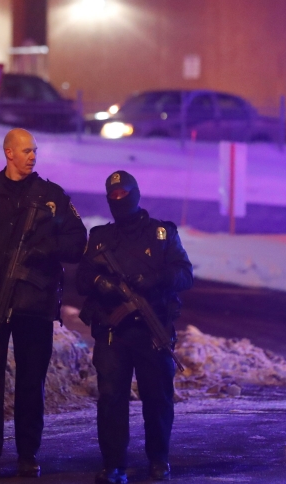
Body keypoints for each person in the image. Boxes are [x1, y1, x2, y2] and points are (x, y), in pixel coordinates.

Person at [0, 128, 87, 479]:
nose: (32, 157)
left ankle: (28, 452)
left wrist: (46, 250)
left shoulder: (51, 196)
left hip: (35, 304)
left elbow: (77, 242)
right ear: (9, 153)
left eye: (34, 150)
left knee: (30, 380)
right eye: (25, 151)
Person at [76, 170, 193, 484]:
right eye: (112, 196)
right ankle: (113, 464)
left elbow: (185, 274)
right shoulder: (100, 237)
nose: (118, 200)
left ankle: (159, 460)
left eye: (123, 194)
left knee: (157, 398)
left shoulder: (161, 234)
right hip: (113, 333)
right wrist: (101, 283)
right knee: (112, 399)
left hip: (151, 330)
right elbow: (82, 278)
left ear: (136, 194)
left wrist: (156, 279)